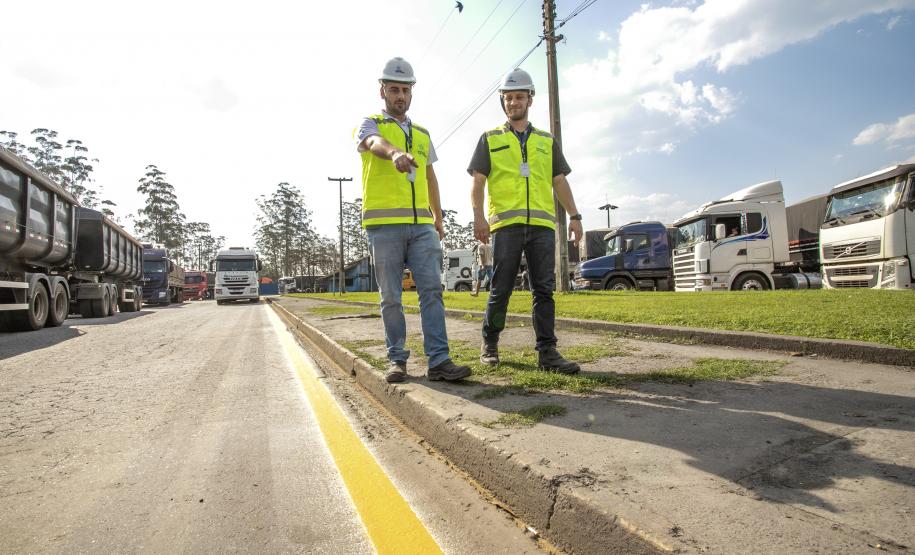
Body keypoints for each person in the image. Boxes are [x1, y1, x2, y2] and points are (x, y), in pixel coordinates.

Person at [355, 57, 471, 384]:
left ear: (412, 92)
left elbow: (431, 176)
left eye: (405, 90)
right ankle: (397, 360)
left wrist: (438, 217)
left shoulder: (422, 133)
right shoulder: (371, 123)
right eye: (394, 89)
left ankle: (440, 361)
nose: (400, 96)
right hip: (384, 226)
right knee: (391, 296)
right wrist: (394, 154)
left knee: (432, 290)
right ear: (382, 91)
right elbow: (372, 143)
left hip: (422, 226)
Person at [467, 67, 584, 374]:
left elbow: (559, 181)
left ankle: (548, 352)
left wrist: (575, 216)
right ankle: (489, 343)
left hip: (543, 227)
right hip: (506, 227)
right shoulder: (489, 139)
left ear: (530, 99)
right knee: (501, 287)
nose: (514, 102)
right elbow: (477, 183)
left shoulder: (546, 141)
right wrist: (479, 217)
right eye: (508, 98)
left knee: (543, 290)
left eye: (519, 96)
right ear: (503, 102)